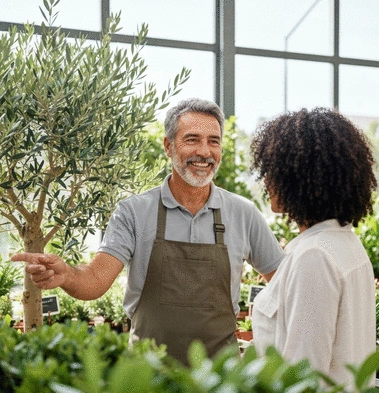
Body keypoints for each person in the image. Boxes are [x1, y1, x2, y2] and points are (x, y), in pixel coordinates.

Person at [12, 98, 284, 365]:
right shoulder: (133, 212)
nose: (204, 151)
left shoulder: (243, 213)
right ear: (168, 146)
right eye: (192, 139)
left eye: (213, 141)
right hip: (147, 376)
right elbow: (95, 279)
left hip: (220, 379)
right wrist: (67, 275)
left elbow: (285, 284)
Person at [250, 107, 377, 387]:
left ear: (299, 177)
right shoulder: (344, 244)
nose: (267, 181)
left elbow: (302, 379)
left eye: (274, 171)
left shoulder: (314, 257)